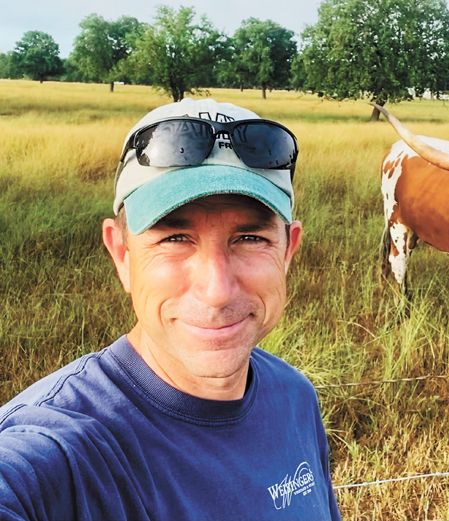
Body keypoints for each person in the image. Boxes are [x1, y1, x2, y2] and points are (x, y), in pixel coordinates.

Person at [0, 98, 342, 520]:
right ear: (121, 254)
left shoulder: (294, 396)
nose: (217, 291)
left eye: (250, 238)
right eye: (174, 238)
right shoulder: (65, 447)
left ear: (288, 250)